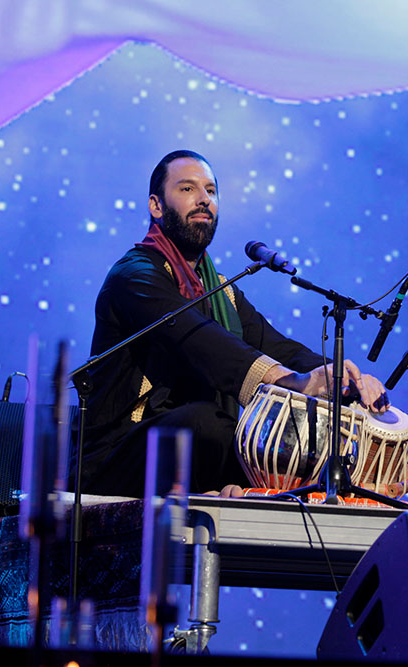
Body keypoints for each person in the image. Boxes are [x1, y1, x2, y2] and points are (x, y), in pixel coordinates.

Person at [76, 149, 388, 498]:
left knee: (266, 441)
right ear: (156, 206)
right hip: (117, 458)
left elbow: (278, 347)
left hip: (197, 441)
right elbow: (201, 340)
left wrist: (341, 377)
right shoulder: (135, 275)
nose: (203, 199)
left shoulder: (221, 291)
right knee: (206, 424)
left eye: (211, 190)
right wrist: (292, 381)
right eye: (187, 188)